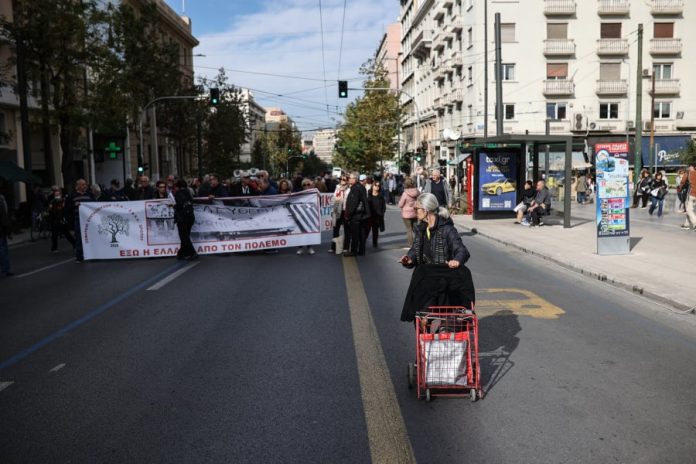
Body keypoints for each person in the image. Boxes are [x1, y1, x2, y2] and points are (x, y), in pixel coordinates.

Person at [65, 179, 94, 262]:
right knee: (79, 238)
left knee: (90, 237)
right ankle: (79, 256)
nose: (84, 186)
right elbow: (67, 208)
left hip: (89, 220)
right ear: (77, 186)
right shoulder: (72, 196)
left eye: (85, 184)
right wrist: (74, 205)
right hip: (78, 219)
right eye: (82, 185)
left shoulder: (89, 195)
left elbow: (95, 205)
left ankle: (91, 254)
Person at [343, 172, 369, 257]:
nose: (349, 179)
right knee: (361, 233)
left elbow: (353, 203)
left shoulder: (355, 188)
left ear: (355, 179)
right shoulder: (361, 187)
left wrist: (348, 214)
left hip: (356, 214)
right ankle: (361, 250)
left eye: (351, 178)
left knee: (355, 234)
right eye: (349, 178)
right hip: (362, 214)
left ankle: (354, 251)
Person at [173, 179, 198, 260]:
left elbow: (179, 205)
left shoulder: (178, 194)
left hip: (182, 218)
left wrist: (174, 206)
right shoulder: (188, 192)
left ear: (178, 187)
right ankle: (181, 253)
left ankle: (192, 253)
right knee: (185, 236)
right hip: (190, 216)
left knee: (184, 237)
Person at [47, 186, 75, 253]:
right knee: (55, 235)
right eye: (54, 192)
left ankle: (75, 244)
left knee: (66, 233)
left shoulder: (63, 200)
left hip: (61, 218)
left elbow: (64, 208)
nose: (56, 194)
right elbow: (50, 209)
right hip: (55, 219)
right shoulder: (52, 200)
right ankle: (54, 248)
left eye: (57, 192)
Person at [297, 178, 317, 255]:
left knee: (309, 232)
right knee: (300, 232)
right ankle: (300, 248)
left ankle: (310, 247)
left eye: (308, 184)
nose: (306, 186)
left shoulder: (314, 193)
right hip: (301, 215)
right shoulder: (299, 193)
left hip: (310, 214)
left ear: (311, 185)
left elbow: (317, 204)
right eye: (304, 185)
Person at [329, 174, 349, 253]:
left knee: (347, 230)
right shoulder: (337, 187)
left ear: (347, 180)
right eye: (341, 179)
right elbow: (333, 199)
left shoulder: (349, 189)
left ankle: (346, 247)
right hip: (337, 211)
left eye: (344, 179)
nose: (342, 180)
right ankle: (333, 247)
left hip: (345, 210)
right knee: (335, 229)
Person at [365, 179, 386, 248]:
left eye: (378, 186)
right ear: (372, 186)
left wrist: (381, 212)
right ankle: (363, 241)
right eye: (375, 185)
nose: (377, 187)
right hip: (369, 216)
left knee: (375, 231)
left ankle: (375, 243)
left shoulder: (381, 196)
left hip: (377, 216)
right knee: (366, 230)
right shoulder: (368, 195)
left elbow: (384, 207)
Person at [398, 177, 419, 248]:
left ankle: (411, 245)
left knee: (409, 229)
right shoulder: (417, 192)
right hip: (415, 212)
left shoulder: (405, 193)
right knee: (416, 228)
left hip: (406, 214)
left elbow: (400, 204)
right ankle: (419, 241)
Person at [679, 162, 696, 230]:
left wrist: (680, 187)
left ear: (691, 167)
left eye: (689, 166)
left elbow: (682, 181)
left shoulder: (688, 173)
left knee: (689, 210)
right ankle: (687, 224)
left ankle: (695, 223)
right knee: (690, 208)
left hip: (691, 193)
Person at [0, 192, 13, 276]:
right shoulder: (1, 204)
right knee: (3, 250)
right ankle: (5, 269)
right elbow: (4, 220)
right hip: (1, 231)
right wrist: (9, 232)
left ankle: (5, 269)